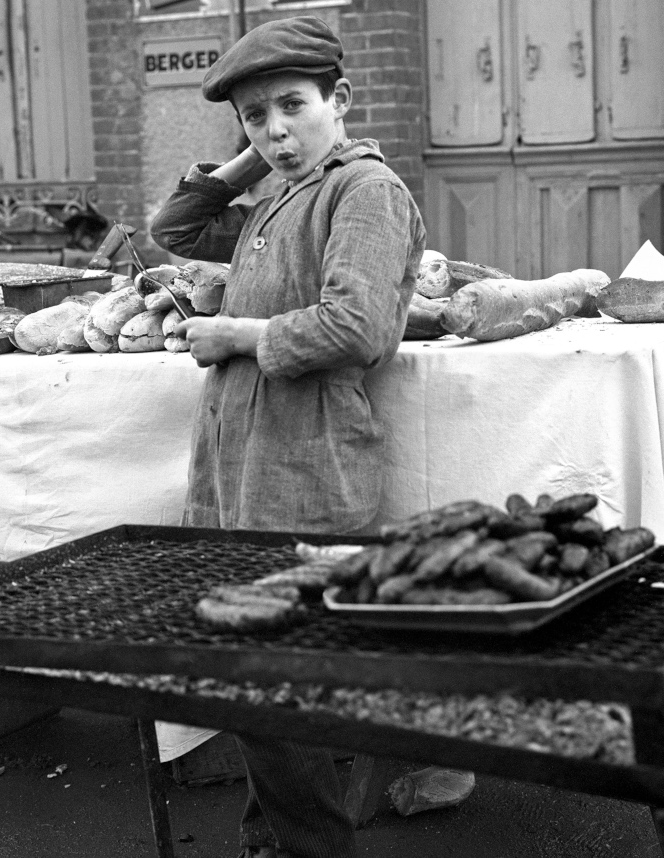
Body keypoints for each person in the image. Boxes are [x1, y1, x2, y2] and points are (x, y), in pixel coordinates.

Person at [149, 15, 426, 858]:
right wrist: (253, 155)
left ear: (340, 100)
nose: (276, 131)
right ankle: (271, 841)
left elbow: (357, 327)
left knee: (279, 681)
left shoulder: (365, 191)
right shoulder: (275, 187)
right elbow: (174, 232)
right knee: (259, 675)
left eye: (294, 107)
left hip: (307, 462)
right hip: (242, 463)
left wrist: (234, 336)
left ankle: (311, 848)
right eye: (254, 116)